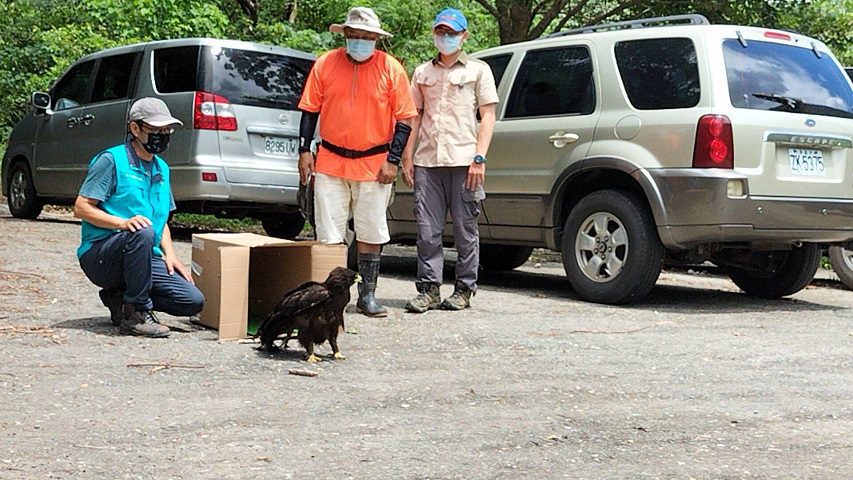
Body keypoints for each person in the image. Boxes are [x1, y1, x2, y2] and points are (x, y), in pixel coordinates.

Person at [297, 6, 417, 317]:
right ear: (345, 35)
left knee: (370, 232)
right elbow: (310, 109)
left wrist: (393, 161)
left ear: (376, 39)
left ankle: (367, 295)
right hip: (331, 160)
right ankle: (329, 298)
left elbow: (405, 119)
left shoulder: (391, 69)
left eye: (367, 37)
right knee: (328, 234)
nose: (360, 42)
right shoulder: (326, 64)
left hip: (374, 163)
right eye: (355, 36)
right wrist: (304, 150)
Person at [74, 97, 205, 338]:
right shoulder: (112, 160)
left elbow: (160, 218)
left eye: (167, 130)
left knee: (192, 301)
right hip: (103, 254)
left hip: (143, 253)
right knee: (141, 232)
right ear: (135, 129)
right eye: (156, 130)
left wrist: (171, 254)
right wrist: (122, 223)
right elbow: (82, 208)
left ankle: (120, 299)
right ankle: (136, 313)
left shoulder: (162, 168)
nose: (163, 136)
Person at [402, 8, 499, 313]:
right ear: (433, 34)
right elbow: (414, 117)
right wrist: (407, 155)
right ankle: (429, 289)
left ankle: (464, 289)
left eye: (452, 33)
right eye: (441, 32)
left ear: (464, 36)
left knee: (465, 229)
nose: (446, 38)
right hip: (427, 162)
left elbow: (488, 116)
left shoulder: (478, 70)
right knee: (427, 229)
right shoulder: (422, 73)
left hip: (464, 161)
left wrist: (479, 158)